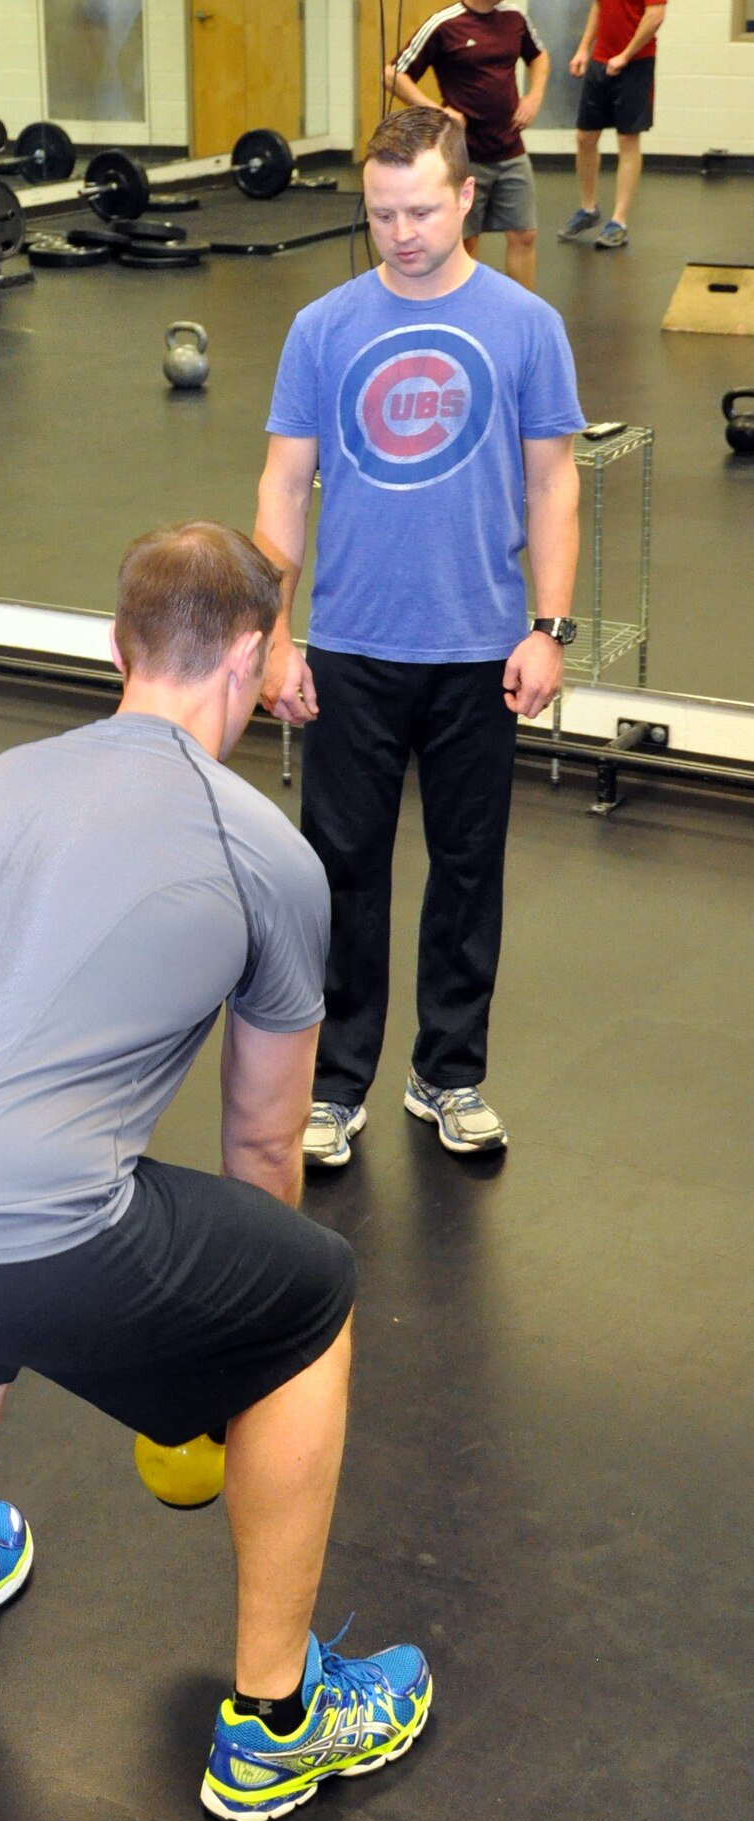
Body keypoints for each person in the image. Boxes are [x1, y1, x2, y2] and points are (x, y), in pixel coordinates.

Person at [0, 522, 431, 1821]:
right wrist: (232, 1357)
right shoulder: (265, 853)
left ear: (119, 648)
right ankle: (277, 1721)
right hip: (7, 1221)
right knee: (309, 1299)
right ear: (250, 656)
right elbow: (260, 1147)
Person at [254, 105, 583, 1169]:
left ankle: (447, 1071)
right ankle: (333, 1083)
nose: (399, 233)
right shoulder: (323, 327)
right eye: (381, 213)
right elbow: (283, 486)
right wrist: (275, 637)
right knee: (339, 869)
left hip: (479, 647)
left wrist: (547, 627)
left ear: (466, 198)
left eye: (421, 212)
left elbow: (553, 483)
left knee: (467, 868)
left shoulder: (525, 324)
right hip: (351, 643)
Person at [385, 0, 551, 291]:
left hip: (511, 149)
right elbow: (393, 74)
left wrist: (534, 96)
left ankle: (522, 310)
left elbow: (539, 56)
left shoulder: (515, 17)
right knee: (464, 242)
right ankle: (460, 308)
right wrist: (436, 111)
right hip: (464, 155)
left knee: (524, 235)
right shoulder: (444, 23)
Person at [560, 0, 667, 249]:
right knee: (585, 137)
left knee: (627, 139)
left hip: (636, 64)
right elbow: (599, 6)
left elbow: (655, 15)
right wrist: (584, 48)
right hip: (600, 60)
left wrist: (625, 55)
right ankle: (588, 209)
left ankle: (619, 222)